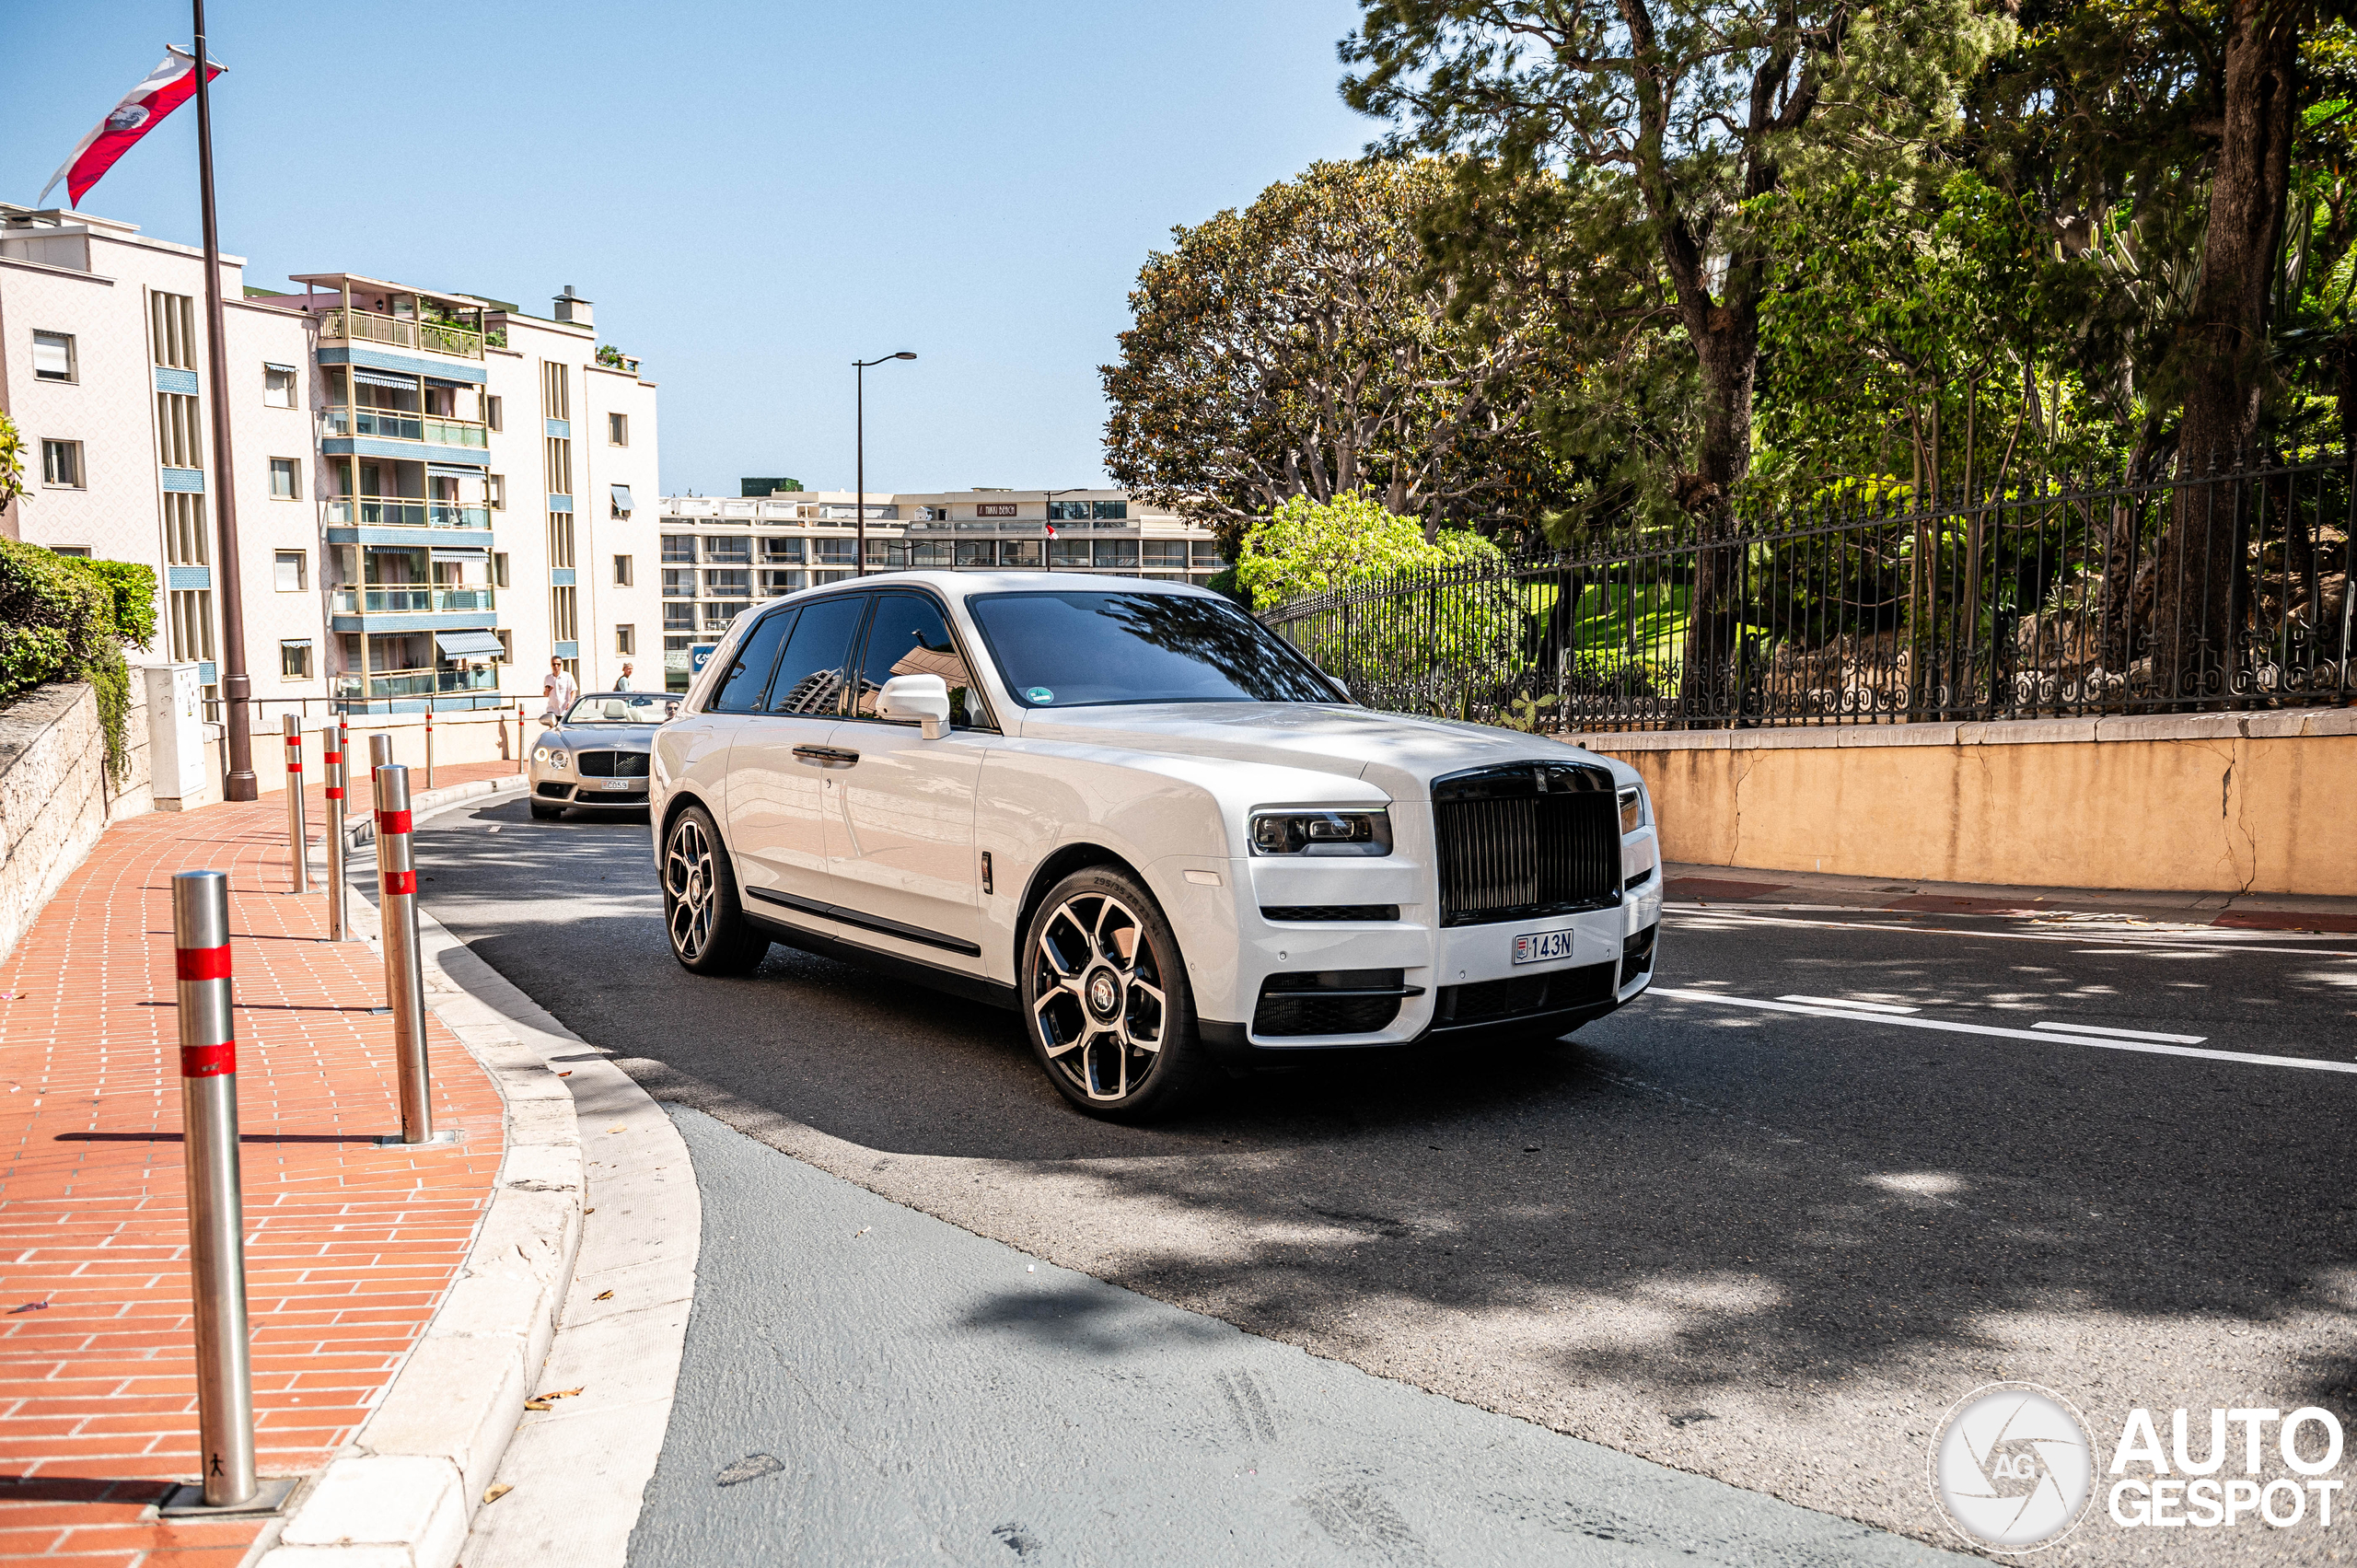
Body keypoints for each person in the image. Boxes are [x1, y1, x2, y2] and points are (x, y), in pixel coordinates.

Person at [541, 657, 577, 722]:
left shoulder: (568, 676)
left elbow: (573, 691)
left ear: (561, 664)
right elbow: (545, 694)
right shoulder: (548, 678)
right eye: (554, 664)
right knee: (553, 730)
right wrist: (547, 690)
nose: (556, 666)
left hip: (565, 710)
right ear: (551, 665)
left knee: (565, 729)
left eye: (558, 664)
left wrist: (571, 703)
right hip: (552, 710)